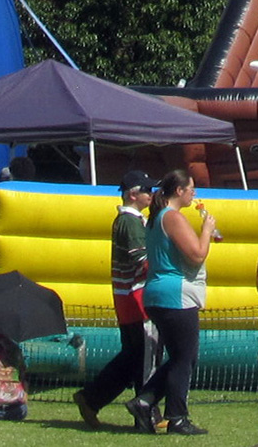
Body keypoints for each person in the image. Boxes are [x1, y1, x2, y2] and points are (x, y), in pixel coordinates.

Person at [76, 170, 157, 429]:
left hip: (127, 299)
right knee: (145, 358)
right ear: (133, 194)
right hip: (136, 299)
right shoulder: (131, 223)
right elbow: (141, 261)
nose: (151, 195)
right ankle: (146, 412)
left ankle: (92, 397)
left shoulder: (128, 221)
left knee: (133, 358)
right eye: (147, 190)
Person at [142, 168, 215, 436]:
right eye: (191, 189)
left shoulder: (158, 218)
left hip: (157, 292)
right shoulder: (172, 216)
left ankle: (144, 400)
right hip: (175, 295)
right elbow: (196, 255)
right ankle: (177, 417)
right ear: (180, 191)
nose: (194, 194)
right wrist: (206, 230)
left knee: (179, 357)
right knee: (185, 358)